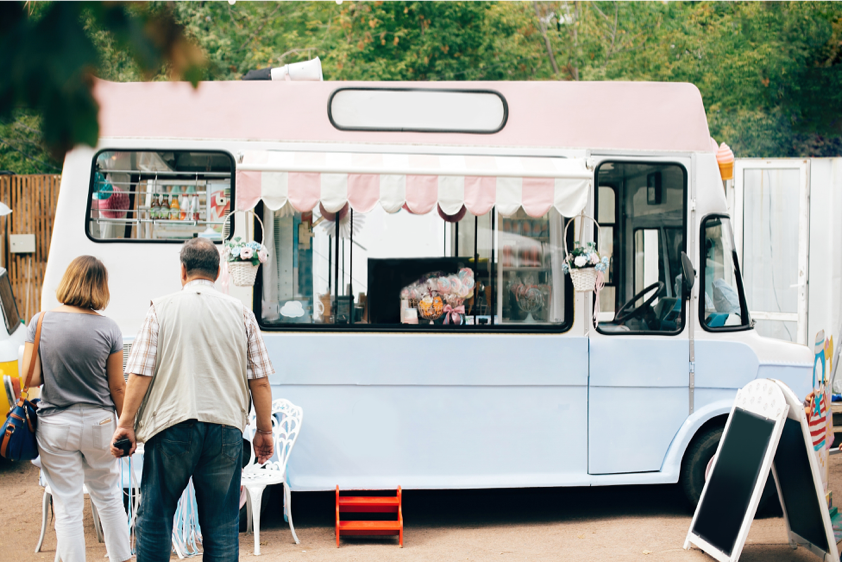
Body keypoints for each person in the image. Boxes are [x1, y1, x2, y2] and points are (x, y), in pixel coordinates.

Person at [112, 237, 275, 562]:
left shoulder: (161, 309)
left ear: (183, 270)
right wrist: (264, 430)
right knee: (222, 526)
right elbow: (260, 380)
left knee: (156, 520)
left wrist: (126, 424)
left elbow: (140, 373)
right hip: (226, 431)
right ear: (218, 272)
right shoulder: (242, 313)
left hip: (171, 428)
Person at [24, 255, 131, 562]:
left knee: (68, 505)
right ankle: (122, 558)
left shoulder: (40, 322)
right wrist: (127, 425)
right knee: (109, 497)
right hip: (99, 424)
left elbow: (30, 378)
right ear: (101, 287)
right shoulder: (109, 328)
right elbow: (117, 387)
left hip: (56, 423)